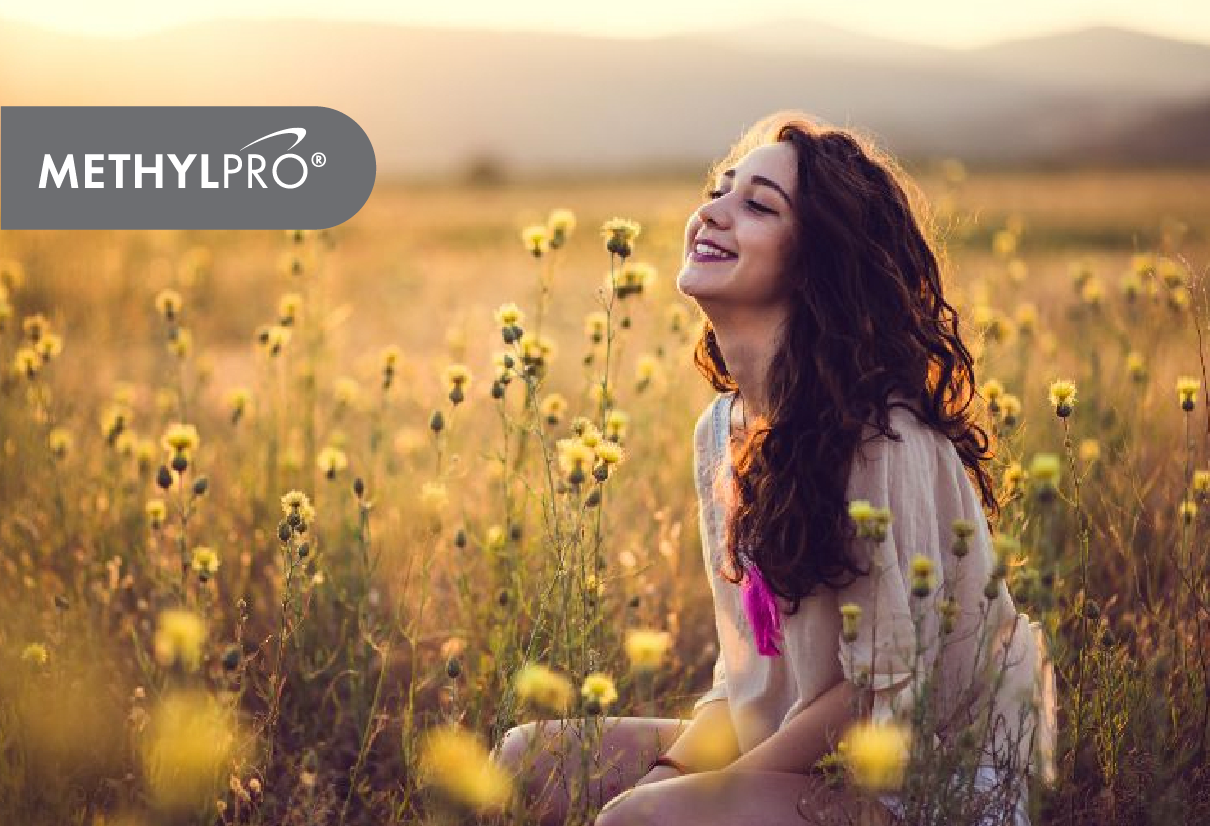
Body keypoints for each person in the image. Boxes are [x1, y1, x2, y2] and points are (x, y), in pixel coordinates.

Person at [492, 110, 1056, 826]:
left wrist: (679, 797)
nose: (712, 213)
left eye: (756, 205)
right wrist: (673, 774)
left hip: (928, 775)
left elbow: (876, 701)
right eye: (720, 191)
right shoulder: (720, 431)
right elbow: (746, 679)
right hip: (800, 745)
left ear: (816, 264)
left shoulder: (885, 436)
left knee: (640, 821)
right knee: (526, 763)